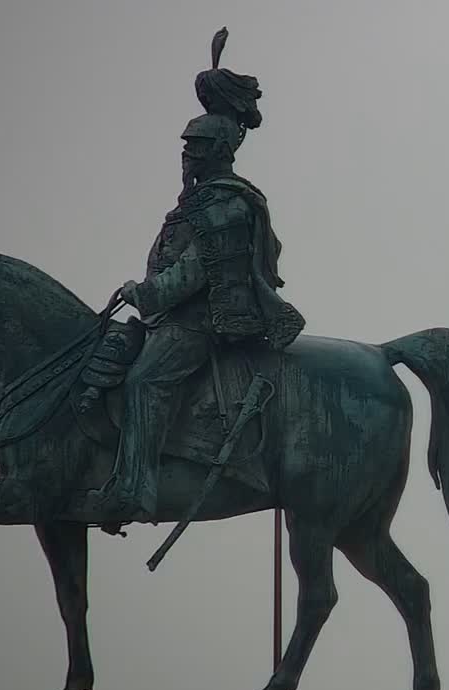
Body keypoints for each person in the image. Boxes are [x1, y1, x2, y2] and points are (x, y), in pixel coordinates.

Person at [85, 111, 304, 521]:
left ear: (220, 151)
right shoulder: (202, 200)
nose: (186, 154)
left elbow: (195, 269)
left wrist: (146, 292)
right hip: (167, 318)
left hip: (201, 323)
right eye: (186, 146)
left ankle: (134, 489)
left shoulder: (226, 203)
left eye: (196, 147)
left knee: (144, 381)